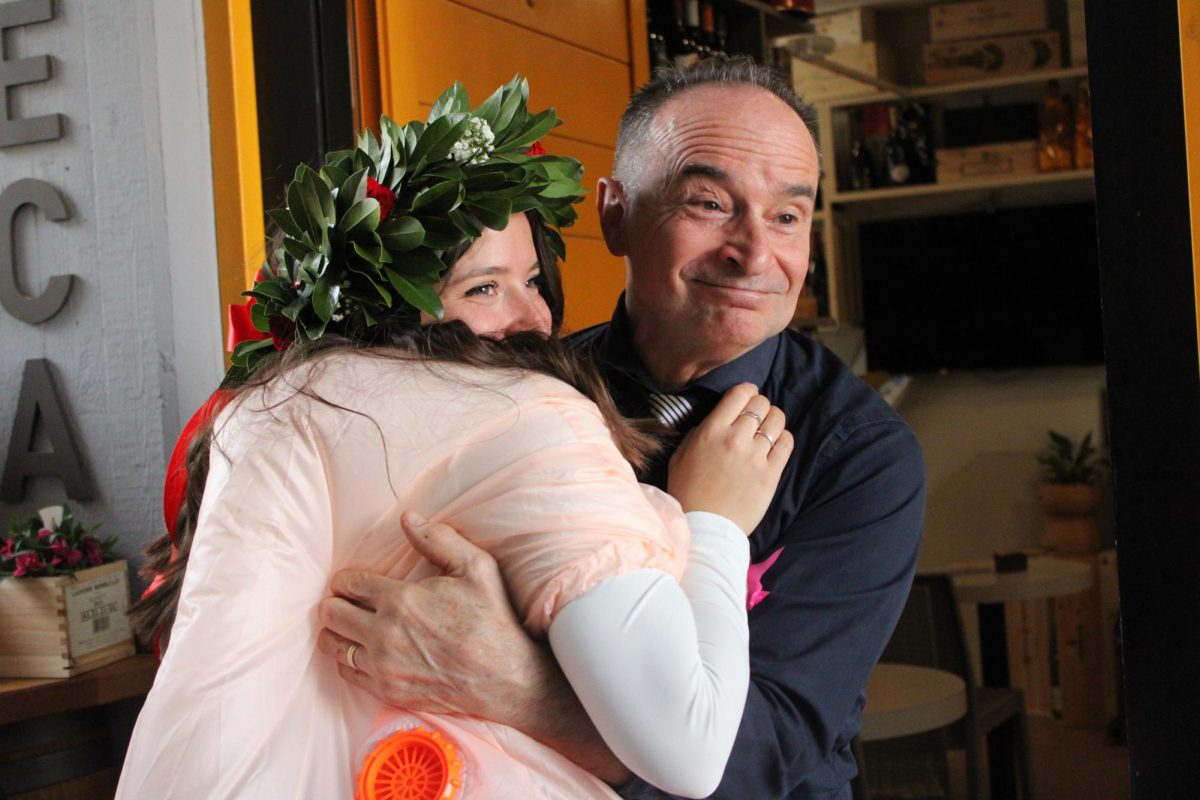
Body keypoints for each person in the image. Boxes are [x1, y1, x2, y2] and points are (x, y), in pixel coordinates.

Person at [117, 77, 794, 800]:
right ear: (391, 310)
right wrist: (715, 526)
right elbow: (691, 751)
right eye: (482, 288)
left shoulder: (265, 408)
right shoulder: (534, 417)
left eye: (533, 280)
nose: (536, 317)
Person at [318, 58, 926, 799]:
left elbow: (752, 757)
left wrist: (511, 684)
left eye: (787, 216)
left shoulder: (859, 457)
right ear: (615, 215)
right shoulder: (516, 390)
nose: (755, 253)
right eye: (709, 203)